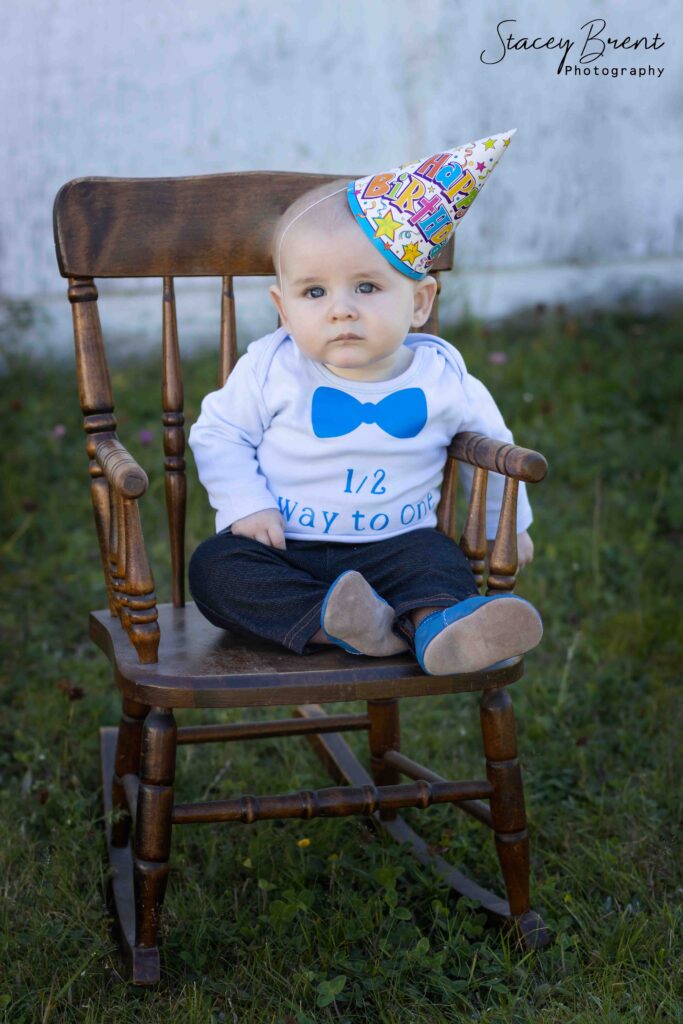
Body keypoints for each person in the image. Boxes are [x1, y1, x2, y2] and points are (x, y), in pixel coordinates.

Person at [188, 133, 543, 675]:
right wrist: (245, 503)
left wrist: (506, 528)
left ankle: (438, 628)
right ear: (283, 309)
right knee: (216, 569)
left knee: (439, 561)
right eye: (315, 293)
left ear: (419, 301)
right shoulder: (271, 367)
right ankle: (343, 623)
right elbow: (219, 432)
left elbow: (494, 454)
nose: (341, 311)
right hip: (290, 548)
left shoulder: (444, 376)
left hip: (398, 547)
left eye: (367, 288)